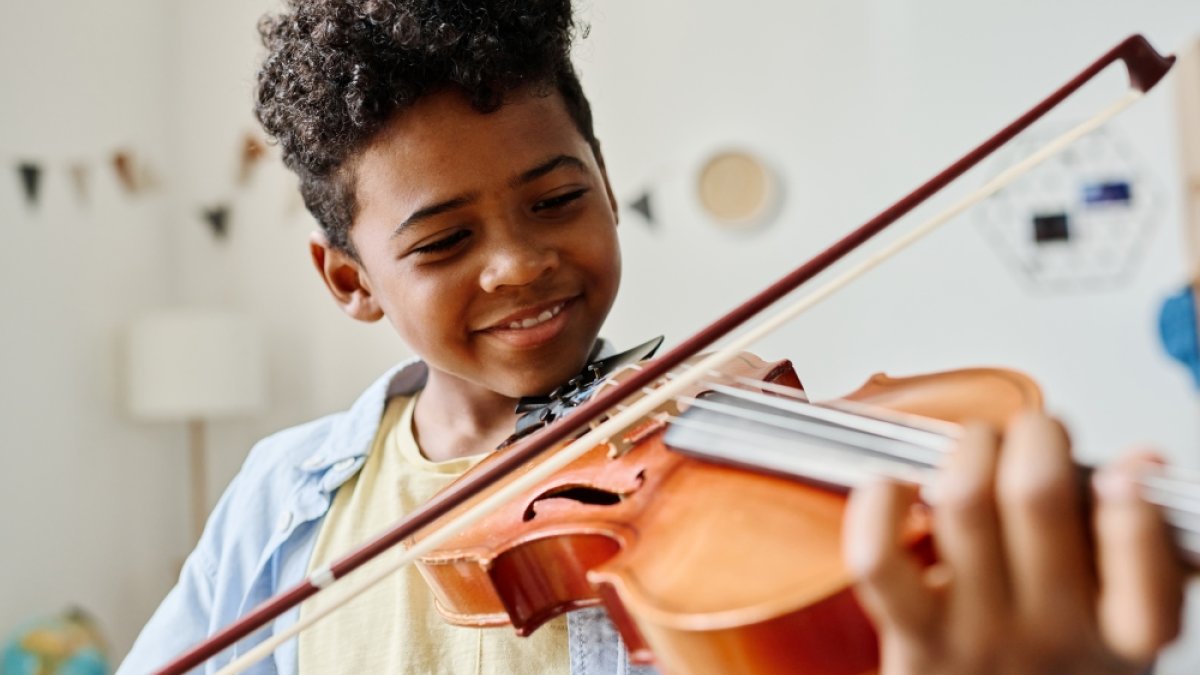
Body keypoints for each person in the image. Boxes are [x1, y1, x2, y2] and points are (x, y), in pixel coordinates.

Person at [117, 1, 1186, 673]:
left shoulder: (731, 456)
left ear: (610, 191)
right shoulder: (282, 496)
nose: (519, 263)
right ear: (350, 281)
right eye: (443, 240)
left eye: (554, 200)